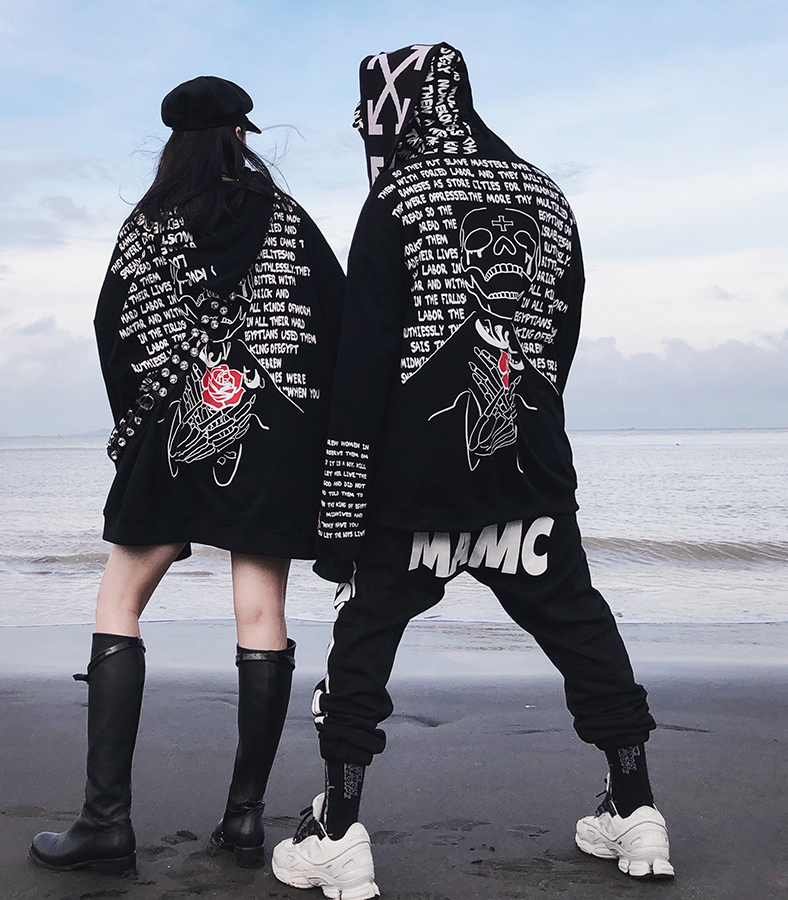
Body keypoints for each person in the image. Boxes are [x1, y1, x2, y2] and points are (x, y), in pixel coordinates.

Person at [271, 44, 673, 898]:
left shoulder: (398, 196)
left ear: (396, 110)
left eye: (369, 117)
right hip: (528, 470)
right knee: (580, 628)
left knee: (366, 639)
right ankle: (637, 809)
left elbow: (363, 364)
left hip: (413, 482)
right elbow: (558, 336)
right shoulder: (546, 193)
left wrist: (339, 521)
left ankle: (338, 830)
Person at [29, 75, 345, 876]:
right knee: (262, 609)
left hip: (168, 434)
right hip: (270, 442)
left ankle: (106, 823)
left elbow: (113, 326)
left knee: (119, 602)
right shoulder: (287, 220)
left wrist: (138, 429)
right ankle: (244, 823)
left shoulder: (148, 224)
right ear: (242, 135)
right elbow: (333, 327)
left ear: (173, 145)